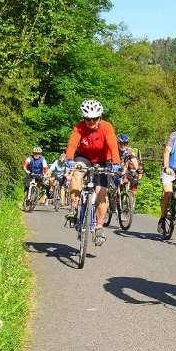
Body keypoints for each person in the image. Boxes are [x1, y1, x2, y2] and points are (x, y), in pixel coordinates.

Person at [64, 99, 122, 246]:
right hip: (84, 157)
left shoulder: (106, 127)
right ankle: (74, 205)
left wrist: (116, 163)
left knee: (101, 192)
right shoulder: (79, 127)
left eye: (94, 119)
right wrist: (69, 159)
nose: (91, 122)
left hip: (104, 160)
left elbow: (113, 146)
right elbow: (72, 144)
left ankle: (99, 226)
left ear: (100, 117)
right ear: (83, 118)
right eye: (87, 119)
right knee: (77, 173)